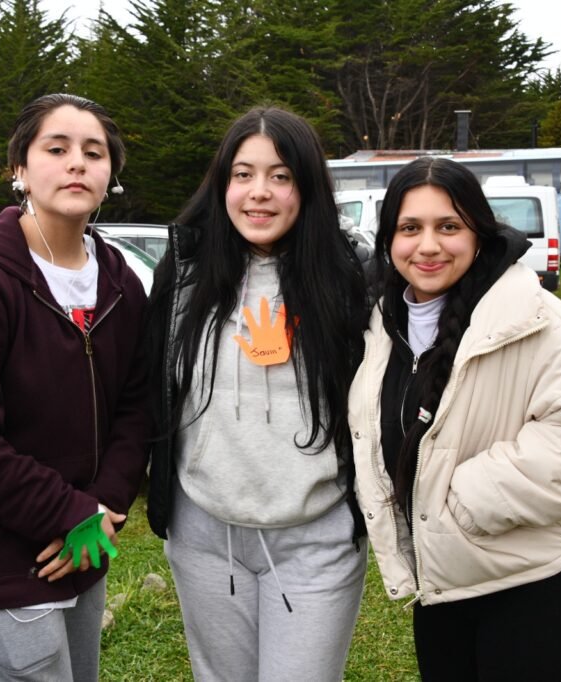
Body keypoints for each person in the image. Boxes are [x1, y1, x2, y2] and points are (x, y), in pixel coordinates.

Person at [349, 157, 561, 682]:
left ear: (479, 234)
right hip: (442, 584)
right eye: (410, 228)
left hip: (531, 585)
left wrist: (463, 501)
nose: (427, 246)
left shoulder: (539, 320)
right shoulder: (381, 328)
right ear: (388, 240)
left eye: (448, 227)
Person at [0, 93, 150, 681]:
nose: (77, 163)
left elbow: (137, 406)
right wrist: (65, 511)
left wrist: (106, 505)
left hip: (85, 544)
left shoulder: (121, 282)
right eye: (57, 148)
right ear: (19, 168)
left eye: (93, 153)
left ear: (110, 175)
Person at [146, 106, 369, 681]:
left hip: (315, 536)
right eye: (243, 174)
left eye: (280, 175)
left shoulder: (351, 279)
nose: (259, 193)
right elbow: (146, 389)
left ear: (307, 186)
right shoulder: (183, 276)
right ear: (223, 184)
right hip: (203, 537)